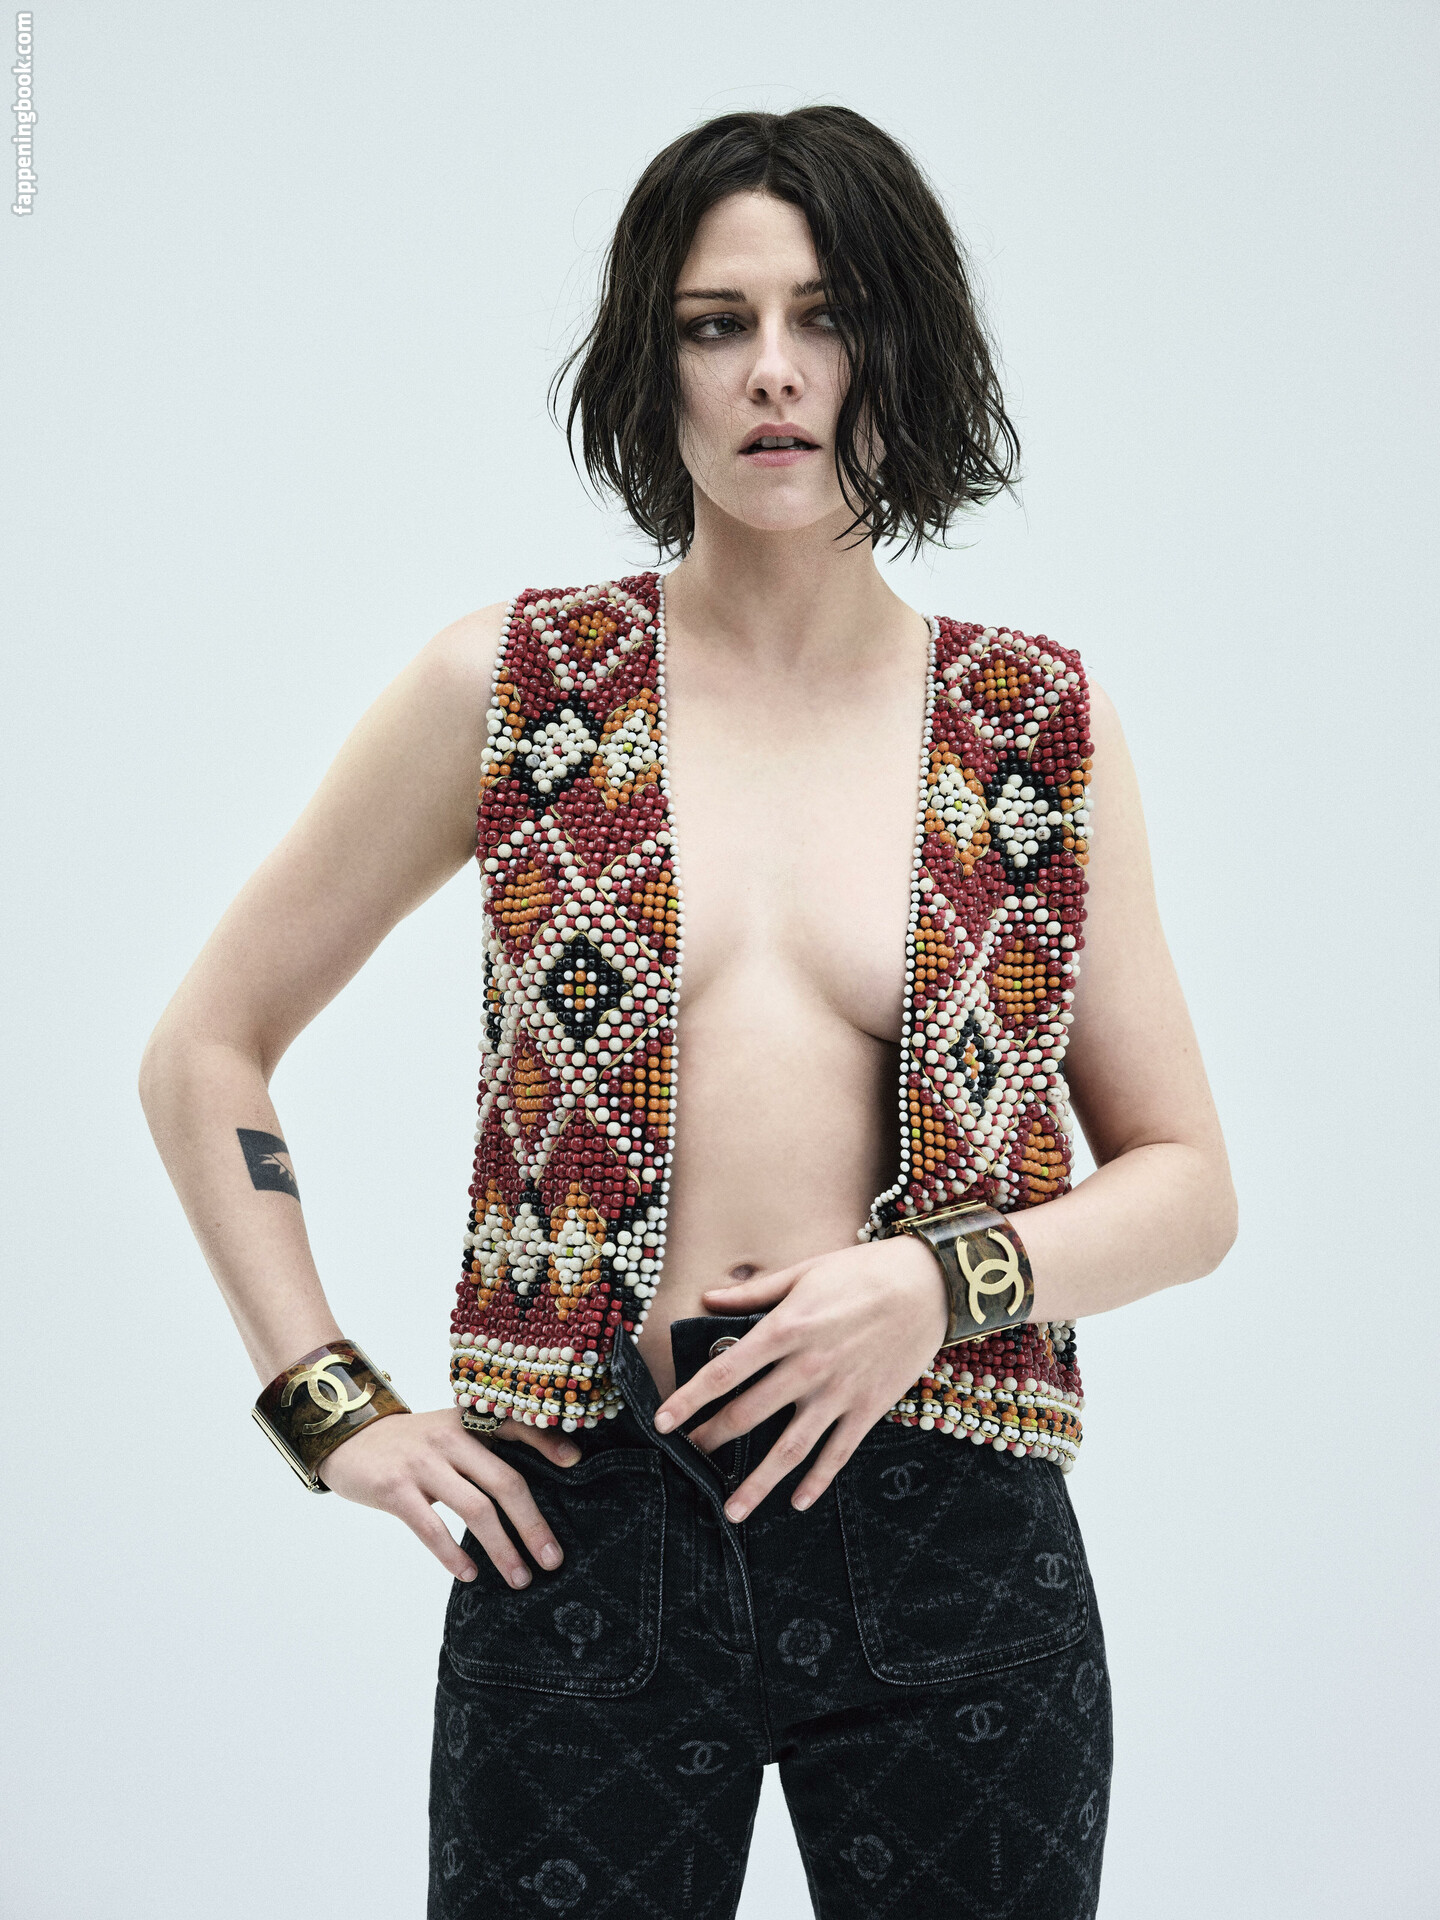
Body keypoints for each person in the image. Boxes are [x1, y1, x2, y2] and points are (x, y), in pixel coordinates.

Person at [140, 105, 1236, 1920]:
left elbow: (1188, 1184)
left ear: (908, 348)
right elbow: (206, 1046)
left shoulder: (1035, 725)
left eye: (828, 317)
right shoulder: (517, 688)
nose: (774, 373)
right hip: (579, 1526)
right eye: (716, 325)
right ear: (653, 369)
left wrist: (932, 1285)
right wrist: (331, 1407)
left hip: (951, 1538)